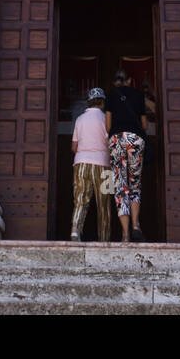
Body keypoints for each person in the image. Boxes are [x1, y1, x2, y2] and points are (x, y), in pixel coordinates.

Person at [105, 70, 148, 243]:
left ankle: (125, 235)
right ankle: (136, 225)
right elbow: (144, 124)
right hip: (135, 139)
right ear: (130, 80)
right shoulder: (138, 95)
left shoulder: (111, 95)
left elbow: (108, 126)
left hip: (116, 139)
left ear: (116, 81)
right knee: (134, 184)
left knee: (120, 186)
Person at [70, 87, 111, 243]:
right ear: (102, 102)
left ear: (89, 102)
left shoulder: (80, 119)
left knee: (80, 199)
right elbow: (110, 143)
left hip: (81, 164)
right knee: (104, 204)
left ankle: (75, 230)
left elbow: (74, 147)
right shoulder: (106, 119)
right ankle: (104, 239)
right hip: (105, 166)